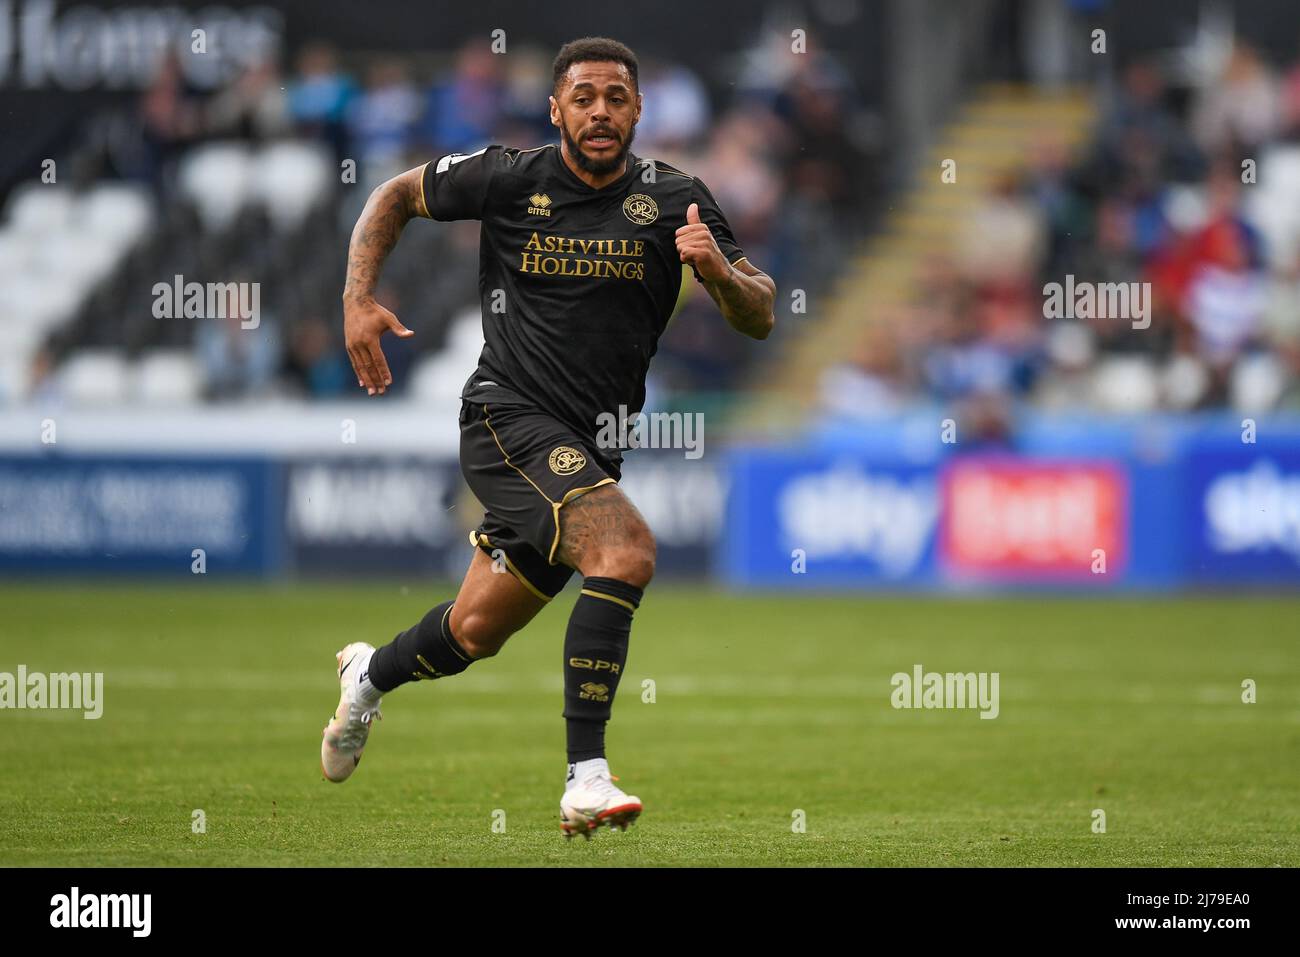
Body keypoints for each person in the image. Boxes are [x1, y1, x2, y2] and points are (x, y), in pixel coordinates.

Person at [324, 37, 775, 839]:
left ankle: (368, 674)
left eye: (616, 98)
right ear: (556, 108)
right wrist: (358, 299)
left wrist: (722, 273)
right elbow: (392, 196)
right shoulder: (507, 177)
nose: (600, 112)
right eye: (584, 97)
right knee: (626, 548)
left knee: (472, 632)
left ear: (638, 111)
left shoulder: (678, 200)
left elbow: (760, 314)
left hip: (591, 445)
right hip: (506, 416)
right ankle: (586, 778)